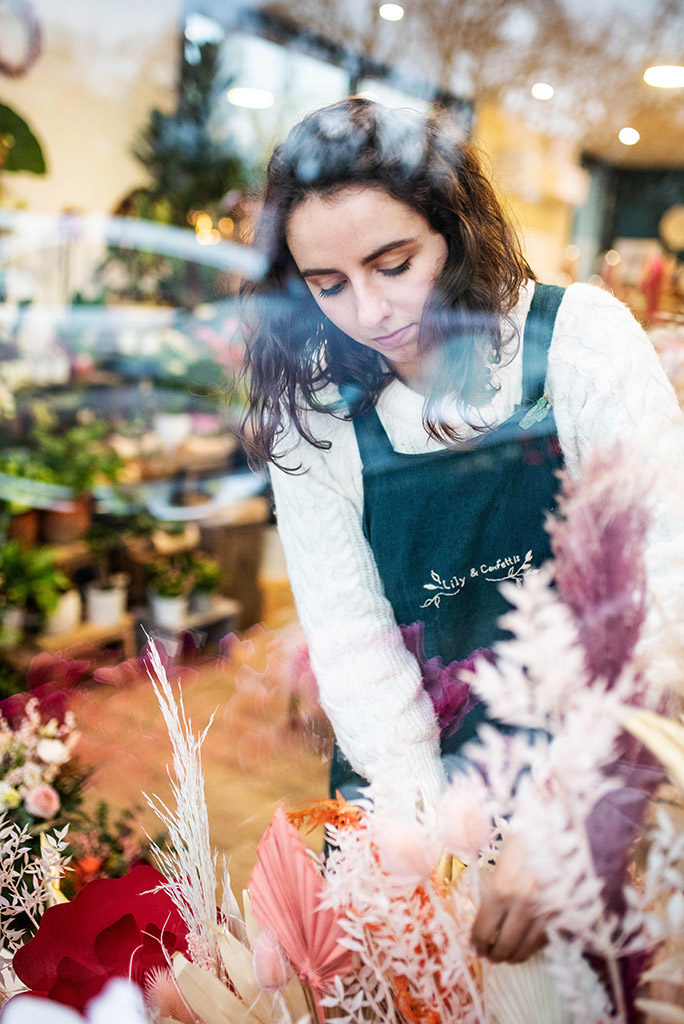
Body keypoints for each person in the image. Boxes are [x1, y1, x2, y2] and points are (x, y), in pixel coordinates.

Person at [239, 96, 684, 962]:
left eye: (394, 262)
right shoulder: (318, 420)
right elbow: (354, 641)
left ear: (455, 229)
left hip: (596, 762)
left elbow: (663, 586)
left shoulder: (579, 342)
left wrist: (568, 809)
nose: (368, 311)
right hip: (409, 779)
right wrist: (429, 845)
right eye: (328, 286)